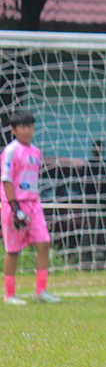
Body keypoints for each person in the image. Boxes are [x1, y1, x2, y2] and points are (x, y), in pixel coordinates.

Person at [1, 110, 61, 304]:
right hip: (14, 205)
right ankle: (10, 294)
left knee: (44, 242)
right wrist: (14, 207)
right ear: (14, 130)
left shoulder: (35, 150)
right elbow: (6, 180)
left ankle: (40, 291)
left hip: (34, 204)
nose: (27, 130)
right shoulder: (11, 151)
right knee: (13, 250)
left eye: (30, 126)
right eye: (22, 127)